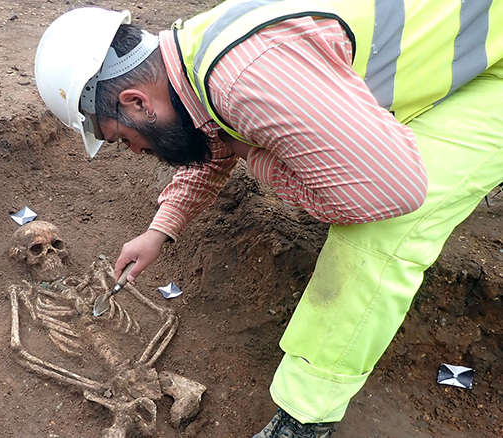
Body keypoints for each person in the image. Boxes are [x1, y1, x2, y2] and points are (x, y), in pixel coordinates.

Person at [34, 1, 503, 436]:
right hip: (441, 52)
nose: (136, 151)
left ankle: (306, 419)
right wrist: (161, 229)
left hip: (490, 64)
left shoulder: (246, 78)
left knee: (379, 230)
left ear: (137, 103)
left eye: (121, 139)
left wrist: (255, 154)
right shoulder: (190, 56)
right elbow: (209, 138)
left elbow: (390, 191)